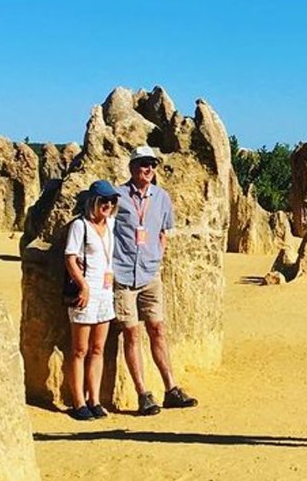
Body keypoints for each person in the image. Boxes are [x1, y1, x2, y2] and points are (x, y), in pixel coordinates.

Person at [112, 145, 198, 415]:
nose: (147, 169)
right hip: (123, 273)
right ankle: (143, 394)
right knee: (132, 333)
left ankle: (171, 388)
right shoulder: (118, 195)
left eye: (151, 164)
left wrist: (157, 256)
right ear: (132, 167)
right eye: (142, 164)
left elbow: (163, 231)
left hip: (150, 274)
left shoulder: (161, 197)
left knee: (158, 330)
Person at [64, 179, 120, 421]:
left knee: (98, 349)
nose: (108, 205)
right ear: (93, 202)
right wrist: (83, 286)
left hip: (105, 293)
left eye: (111, 201)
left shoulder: (111, 225)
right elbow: (70, 258)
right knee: (79, 349)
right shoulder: (80, 226)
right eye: (103, 201)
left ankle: (94, 399)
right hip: (85, 292)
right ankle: (78, 402)